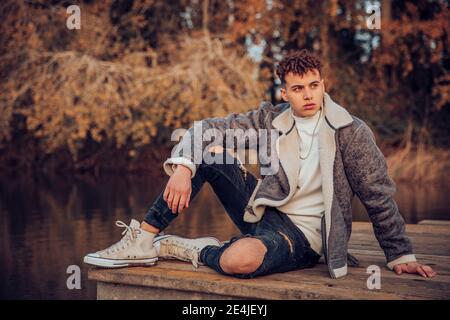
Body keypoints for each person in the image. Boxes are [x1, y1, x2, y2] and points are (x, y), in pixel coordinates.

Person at [84, 50, 436, 279]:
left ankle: (194, 248)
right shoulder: (270, 120)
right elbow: (206, 129)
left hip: (304, 238)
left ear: (324, 84)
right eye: (299, 88)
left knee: (238, 261)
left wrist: (400, 253)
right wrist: (183, 166)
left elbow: (378, 195)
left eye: (315, 85)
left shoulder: (350, 132)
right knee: (207, 152)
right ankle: (144, 240)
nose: (309, 95)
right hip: (263, 213)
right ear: (285, 93)